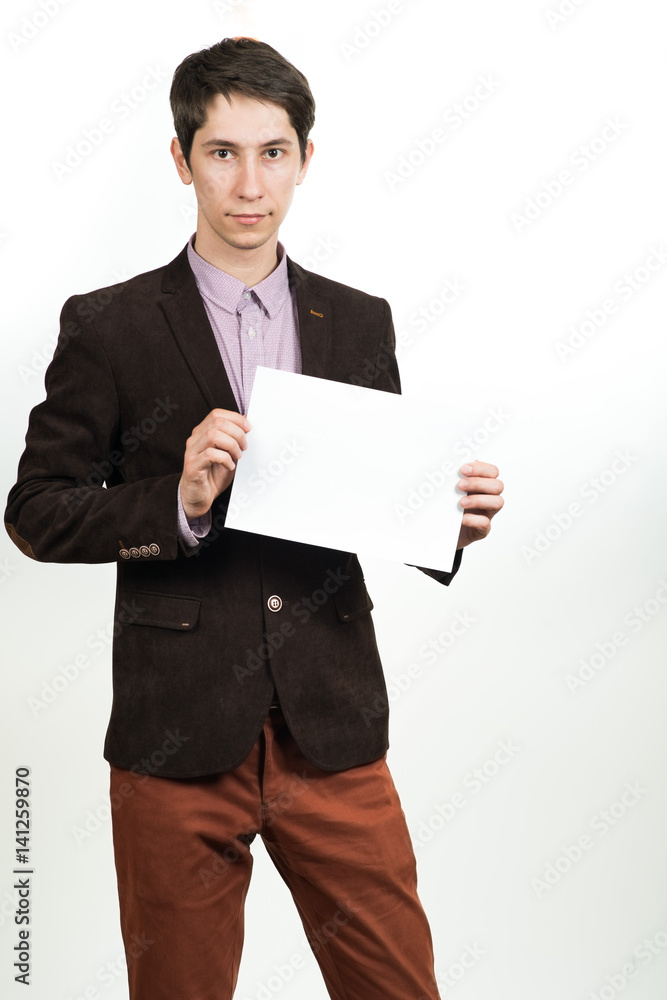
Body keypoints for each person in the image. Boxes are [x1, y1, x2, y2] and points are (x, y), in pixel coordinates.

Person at [5, 37, 504, 1000]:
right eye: (222, 152)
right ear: (181, 159)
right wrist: (179, 504)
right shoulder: (107, 325)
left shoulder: (359, 322)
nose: (248, 182)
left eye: (272, 152)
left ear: (305, 158)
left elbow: (382, 497)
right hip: (175, 736)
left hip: (333, 722)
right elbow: (35, 512)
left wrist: (449, 527)